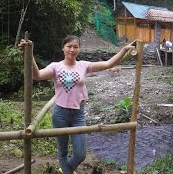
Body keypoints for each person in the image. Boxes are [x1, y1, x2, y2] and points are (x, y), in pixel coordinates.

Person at [18, 35, 136, 174]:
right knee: (63, 151)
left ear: (79, 49)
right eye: (69, 46)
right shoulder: (56, 67)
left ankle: (65, 170)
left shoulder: (84, 66)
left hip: (78, 114)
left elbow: (108, 64)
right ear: (63, 48)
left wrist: (123, 50)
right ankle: (67, 171)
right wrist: (29, 54)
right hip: (60, 114)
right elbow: (37, 75)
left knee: (80, 154)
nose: (72, 50)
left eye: (75, 47)